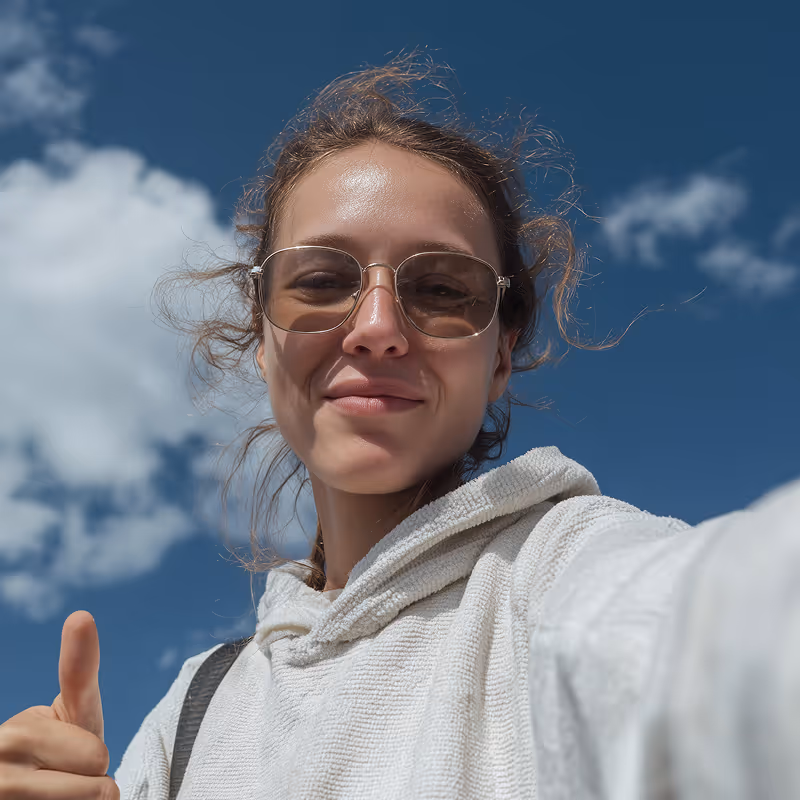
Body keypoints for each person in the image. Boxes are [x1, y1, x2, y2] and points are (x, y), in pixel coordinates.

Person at [1, 56, 798, 800]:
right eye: (319, 279)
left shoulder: (559, 572)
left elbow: (717, 636)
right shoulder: (191, 711)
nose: (377, 326)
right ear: (261, 332)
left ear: (498, 356)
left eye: (444, 289)